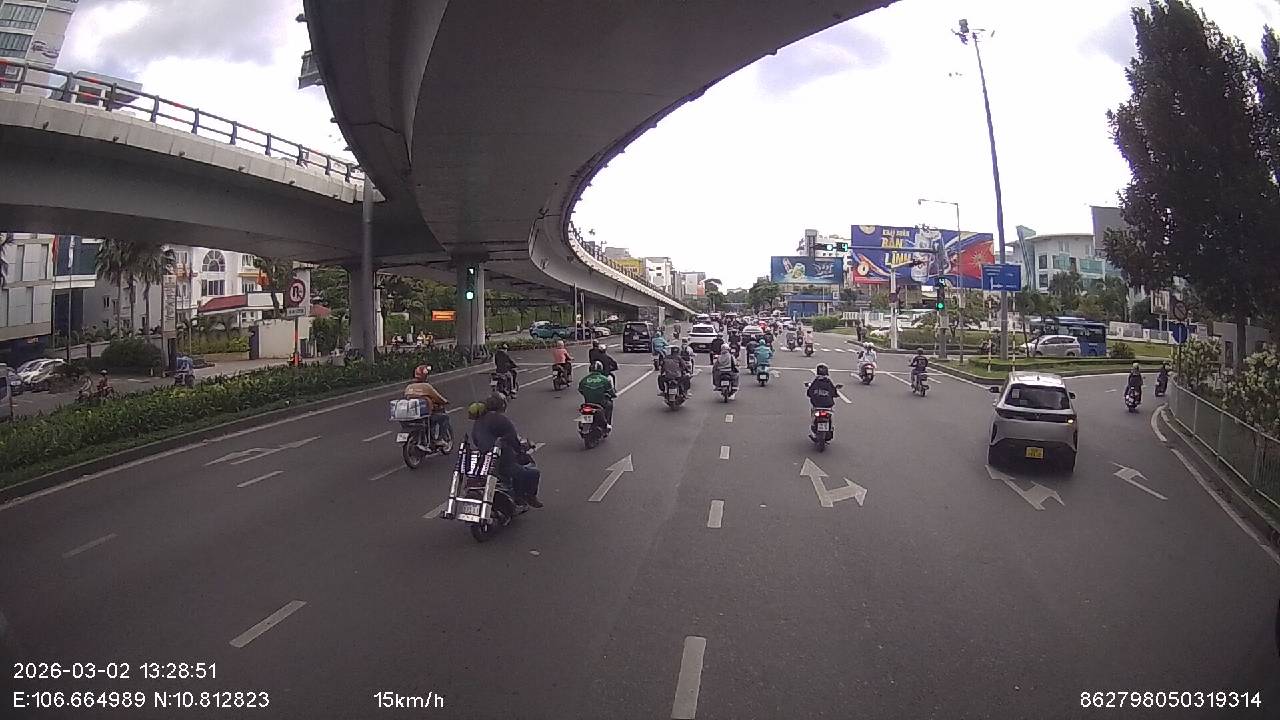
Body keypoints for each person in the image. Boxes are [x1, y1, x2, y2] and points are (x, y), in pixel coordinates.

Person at [471, 394, 542, 507]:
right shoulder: (501, 420)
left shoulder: (479, 421)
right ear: (502, 405)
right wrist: (521, 449)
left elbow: (475, 439)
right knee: (533, 473)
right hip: (501, 461)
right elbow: (513, 439)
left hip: (483, 461)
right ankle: (525, 497)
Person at [404, 364, 452, 444]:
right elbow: (437, 397)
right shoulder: (426, 386)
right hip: (425, 416)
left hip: (412, 416)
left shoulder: (409, 387)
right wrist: (445, 401)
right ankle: (439, 439)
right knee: (444, 418)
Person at [578, 361, 617, 430]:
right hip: (601, 403)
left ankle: (585, 423)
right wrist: (613, 395)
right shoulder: (605, 379)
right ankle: (607, 424)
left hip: (588, 403)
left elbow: (581, 390)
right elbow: (611, 392)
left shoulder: (584, 380)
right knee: (609, 405)